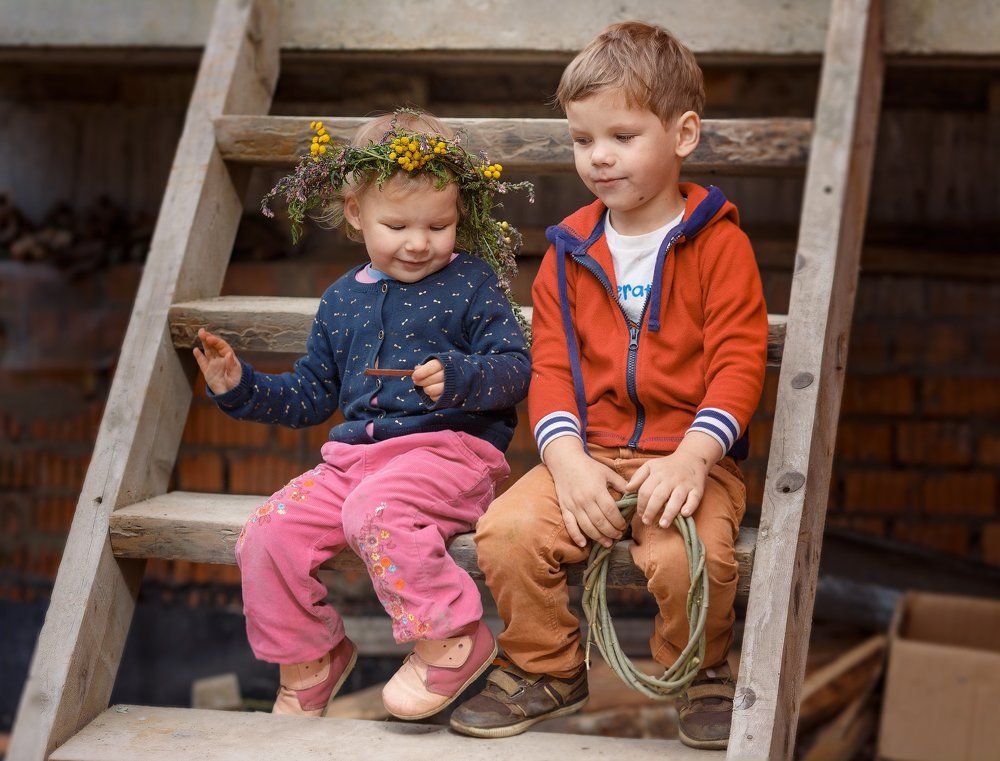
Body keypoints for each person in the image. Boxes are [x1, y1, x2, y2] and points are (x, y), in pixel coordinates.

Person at [450, 22, 767, 750]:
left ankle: (702, 669)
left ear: (684, 132)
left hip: (690, 457)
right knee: (507, 529)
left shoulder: (720, 245)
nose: (598, 156)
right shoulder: (566, 252)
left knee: (688, 558)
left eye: (622, 136)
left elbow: (739, 361)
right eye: (581, 139)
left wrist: (693, 457)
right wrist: (563, 462)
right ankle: (545, 665)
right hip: (588, 450)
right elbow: (553, 367)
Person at [194, 109, 532, 721]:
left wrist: (460, 377)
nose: (419, 241)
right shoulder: (342, 299)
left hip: (448, 455)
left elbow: (515, 368)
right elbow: (311, 395)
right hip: (356, 463)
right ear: (355, 214)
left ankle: (454, 639)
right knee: (267, 532)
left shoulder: (473, 283)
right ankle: (312, 658)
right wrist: (240, 387)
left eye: (440, 224)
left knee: (374, 512)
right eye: (397, 224)